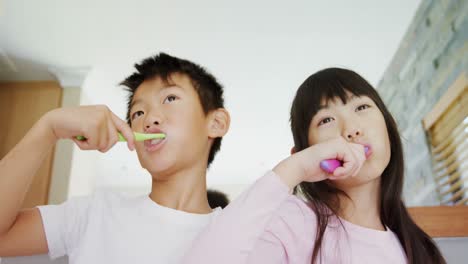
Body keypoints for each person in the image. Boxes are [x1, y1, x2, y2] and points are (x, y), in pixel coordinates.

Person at [183, 68, 445, 264]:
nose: (351, 129)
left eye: (362, 106)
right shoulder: (291, 222)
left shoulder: (418, 246)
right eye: (326, 119)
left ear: (388, 126)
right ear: (304, 153)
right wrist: (294, 169)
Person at [0, 53, 230, 264]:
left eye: (170, 98)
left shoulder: (240, 234)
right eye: (138, 113)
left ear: (216, 123)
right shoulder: (93, 214)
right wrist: (48, 128)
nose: (149, 119)